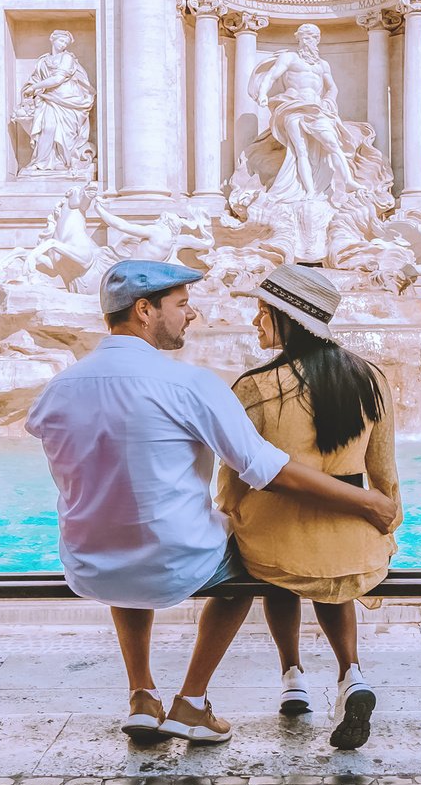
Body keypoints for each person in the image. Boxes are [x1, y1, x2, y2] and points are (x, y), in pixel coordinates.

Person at [25, 259, 397, 746]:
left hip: (89, 564)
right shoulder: (189, 384)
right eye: (182, 305)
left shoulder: (56, 390)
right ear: (144, 311)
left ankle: (142, 694)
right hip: (176, 562)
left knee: (130, 528)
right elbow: (264, 468)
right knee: (242, 568)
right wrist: (369, 504)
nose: (192, 315)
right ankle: (193, 701)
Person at [217, 263, 401, 751]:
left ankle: (293, 676)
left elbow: (232, 483)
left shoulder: (254, 387)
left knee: (276, 567)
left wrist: (229, 514)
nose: (255, 323)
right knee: (330, 573)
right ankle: (352, 675)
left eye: (262, 313)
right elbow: (384, 474)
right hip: (351, 534)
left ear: (287, 319)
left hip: (275, 538)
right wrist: (385, 523)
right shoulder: (370, 378)